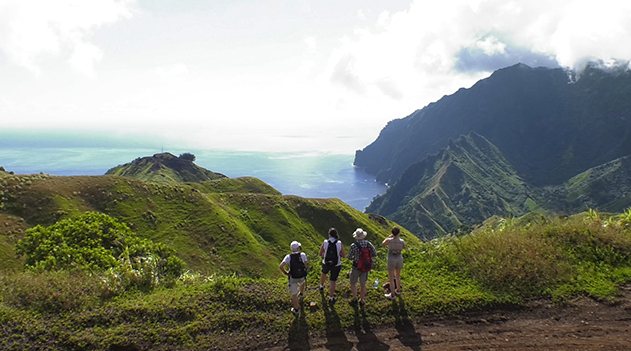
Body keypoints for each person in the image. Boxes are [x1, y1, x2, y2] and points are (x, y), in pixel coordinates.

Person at [347, 228, 377, 307]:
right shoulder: (368, 244)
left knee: (353, 282)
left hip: (356, 266)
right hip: (365, 266)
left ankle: (354, 298)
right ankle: (362, 300)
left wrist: (356, 258)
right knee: (363, 284)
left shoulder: (353, 246)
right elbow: (375, 253)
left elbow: (349, 257)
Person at [280, 240, 308, 316]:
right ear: (298, 248)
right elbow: (305, 265)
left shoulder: (288, 257)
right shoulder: (303, 255)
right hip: (301, 275)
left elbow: (281, 266)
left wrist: (286, 272)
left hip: (293, 277)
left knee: (294, 294)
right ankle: (301, 294)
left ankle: (296, 310)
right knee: (302, 282)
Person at [319, 227, 345, 304]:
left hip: (326, 262)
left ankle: (321, 286)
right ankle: (331, 297)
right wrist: (338, 254)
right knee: (333, 281)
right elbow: (343, 255)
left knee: (324, 273)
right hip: (336, 264)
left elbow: (320, 254)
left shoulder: (325, 242)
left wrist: (324, 254)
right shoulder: (339, 243)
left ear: (329, 235)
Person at [382, 226, 406, 299]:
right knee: (397, 276)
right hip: (399, 258)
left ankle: (392, 294)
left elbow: (383, 243)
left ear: (392, 233)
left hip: (391, 259)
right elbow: (404, 247)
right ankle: (398, 290)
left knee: (391, 278)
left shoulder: (389, 240)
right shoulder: (402, 241)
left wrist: (390, 236)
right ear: (399, 233)